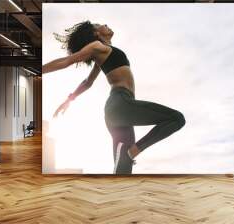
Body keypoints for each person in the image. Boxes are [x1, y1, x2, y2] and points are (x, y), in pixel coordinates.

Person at [42, 20, 185, 174]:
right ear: (96, 33)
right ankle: (132, 152)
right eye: (99, 25)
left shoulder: (102, 53)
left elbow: (88, 82)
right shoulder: (97, 46)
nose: (105, 24)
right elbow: (68, 61)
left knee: (123, 170)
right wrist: (40, 70)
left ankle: (127, 159)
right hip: (121, 103)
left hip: (118, 111)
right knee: (176, 119)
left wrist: (69, 100)